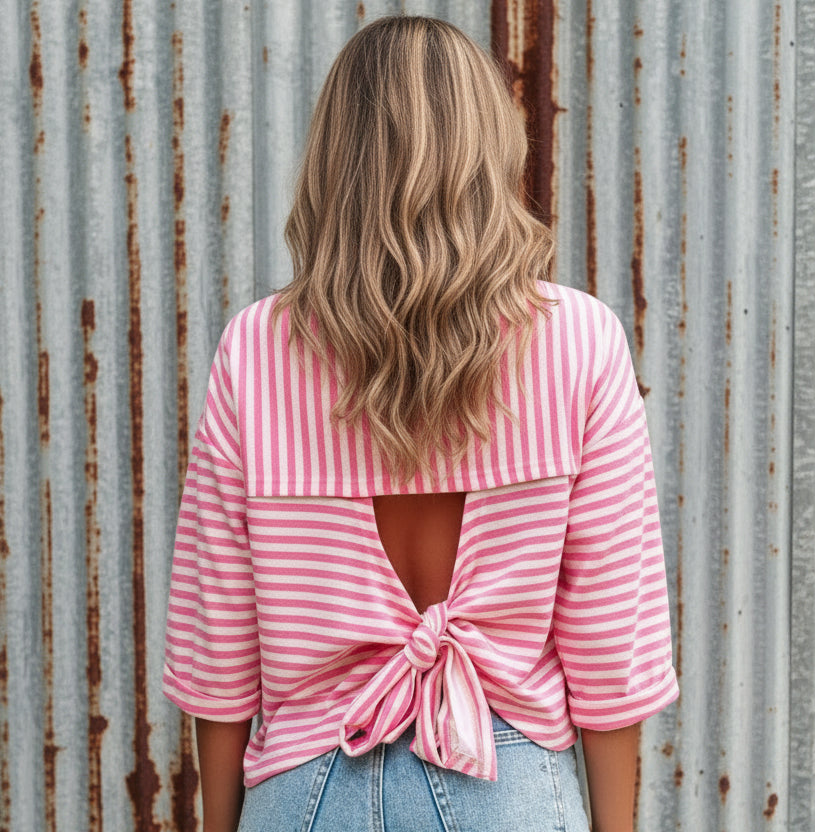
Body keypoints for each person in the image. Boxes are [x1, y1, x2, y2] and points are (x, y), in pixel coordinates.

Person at [162, 14, 679, 832]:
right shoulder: (579, 340)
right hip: (507, 791)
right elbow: (612, 648)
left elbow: (217, 649)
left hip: (305, 792)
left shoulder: (257, 351)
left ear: (336, 161)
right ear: (490, 152)